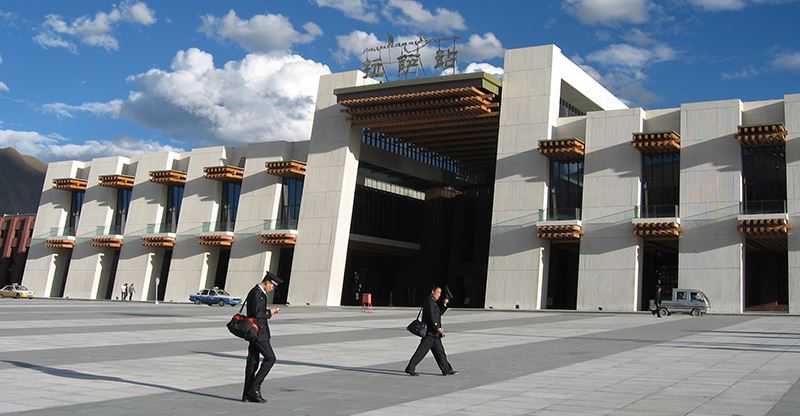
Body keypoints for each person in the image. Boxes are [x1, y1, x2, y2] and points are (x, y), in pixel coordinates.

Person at [242, 272, 283, 403]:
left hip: (256, 332)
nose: (272, 289)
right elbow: (257, 313)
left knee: (253, 361)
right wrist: (270, 312)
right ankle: (254, 389)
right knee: (270, 358)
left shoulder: (258, 293)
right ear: (267, 282)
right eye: (272, 286)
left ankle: (247, 394)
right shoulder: (256, 293)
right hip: (258, 333)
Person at [404, 286, 456, 376]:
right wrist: (437, 327)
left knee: (440, 352)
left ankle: (446, 369)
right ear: (433, 291)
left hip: (434, 334)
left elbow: (438, 313)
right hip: (430, 333)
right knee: (421, 352)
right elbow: (432, 316)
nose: (439, 295)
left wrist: (444, 304)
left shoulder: (433, 302)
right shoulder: (429, 301)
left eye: (440, 293)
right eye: (438, 292)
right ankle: (410, 368)